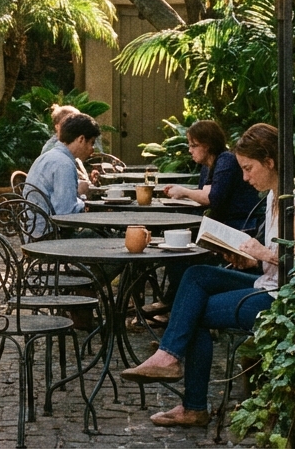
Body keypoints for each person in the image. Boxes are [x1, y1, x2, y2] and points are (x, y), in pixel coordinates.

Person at [121, 123, 282, 428]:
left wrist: (262, 253)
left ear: (270, 161)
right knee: (195, 275)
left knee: (190, 312)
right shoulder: (273, 195)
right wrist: (248, 258)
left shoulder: (294, 199)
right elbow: (273, 260)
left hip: (280, 296)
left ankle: (191, 401)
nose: (245, 177)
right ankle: (171, 360)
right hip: (267, 280)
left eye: (248, 169)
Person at [163, 120, 263, 232]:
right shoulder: (207, 166)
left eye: (194, 146)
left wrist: (184, 192)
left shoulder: (226, 160)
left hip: (242, 224)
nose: (190, 150)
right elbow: (204, 193)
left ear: (207, 145)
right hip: (224, 224)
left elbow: (212, 198)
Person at [23, 113, 99, 221]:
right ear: (81, 139)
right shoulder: (64, 164)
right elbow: (66, 213)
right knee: (109, 235)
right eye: (92, 143)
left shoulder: (50, 156)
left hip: (34, 228)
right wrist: (87, 202)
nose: (92, 149)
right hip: (50, 233)